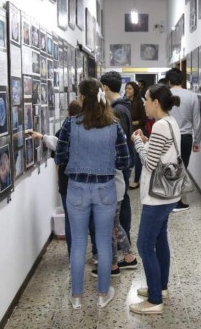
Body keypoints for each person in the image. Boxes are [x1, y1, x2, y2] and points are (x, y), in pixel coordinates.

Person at [54, 79, 131, 310]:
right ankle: (102, 294)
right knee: (103, 244)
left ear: (83, 98)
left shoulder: (70, 123)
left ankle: (76, 296)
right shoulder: (113, 125)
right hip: (105, 189)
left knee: (78, 243)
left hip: (76, 188)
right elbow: (124, 161)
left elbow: (59, 156)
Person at [129, 84, 182, 315]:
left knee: (144, 245)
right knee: (160, 240)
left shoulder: (160, 125)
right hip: (169, 194)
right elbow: (162, 153)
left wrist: (138, 142)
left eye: (146, 99)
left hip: (156, 197)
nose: (143, 103)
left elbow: (150, 164)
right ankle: (160, 288)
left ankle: (154, 300)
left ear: (156, 103)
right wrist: (147, 140)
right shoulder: (170, 122)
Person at [31, 100, 82, 258]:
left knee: (71, 219)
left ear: (68, 113)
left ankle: (73, 254)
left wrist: (42, 137)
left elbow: (59, 148)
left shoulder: (67, 127)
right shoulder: (91, 129)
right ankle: (93, 253)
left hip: (68, 182)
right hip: (84, 182)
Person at [100, 71, 135, 243]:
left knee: (122, 201)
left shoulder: (118, 110)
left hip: (121, 164)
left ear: (105, 88)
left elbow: (116, 140)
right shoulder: (121, 106)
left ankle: (123, 238)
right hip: (124, 162)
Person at [164, 68, 201, 212]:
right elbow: (197, 121)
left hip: (168, 134)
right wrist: (197, 141)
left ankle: (167, 198)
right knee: (181, 168)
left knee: (167, 165)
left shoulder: (165, 95)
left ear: (169, 81)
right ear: (182, 80)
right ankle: (176, 201)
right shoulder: (192, 96)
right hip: (185, 137)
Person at [125, 81, 146, 189]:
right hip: (128, 133)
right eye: (126, 88)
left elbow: (144, 119)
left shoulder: (139, 102)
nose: (127, 91)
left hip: (138, 132)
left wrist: (131, 122)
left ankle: (137, 180)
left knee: (138, 158)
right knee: (130, 157)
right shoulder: (125, 102)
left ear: (135, 90)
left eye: (130, 89)